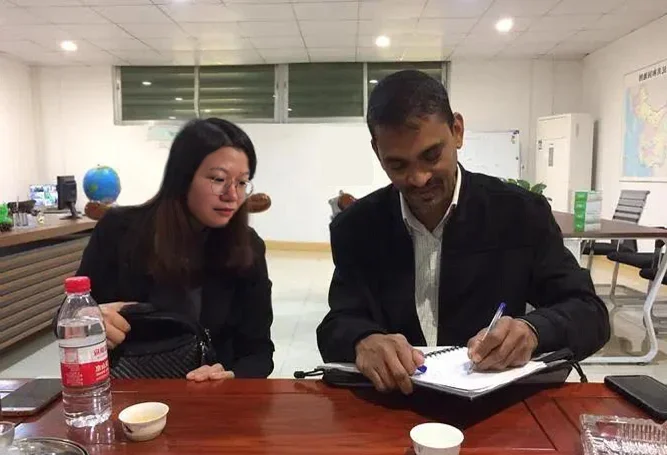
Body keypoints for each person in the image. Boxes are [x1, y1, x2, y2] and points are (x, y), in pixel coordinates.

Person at [316, 70, 610, 395]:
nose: (419, 178)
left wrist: (533, 330)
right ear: (377, 151)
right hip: (393, 401)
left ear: (457, 131)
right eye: (398, 165)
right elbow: (339, 321)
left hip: (493, 406)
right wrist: (362, 340)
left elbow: (590, 313)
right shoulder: (356, 227)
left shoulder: (520, 214)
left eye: (431, 155)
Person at [76, 118, 274, 381]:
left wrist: (231, 376)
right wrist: (89, 319)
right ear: (182, 178)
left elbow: (259, 352)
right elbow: (70, 317)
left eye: (241, 183)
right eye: (218, 179)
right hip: (131, 392)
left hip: (209, 396)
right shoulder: (119, 231)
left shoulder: (247, 247)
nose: (232, 195)